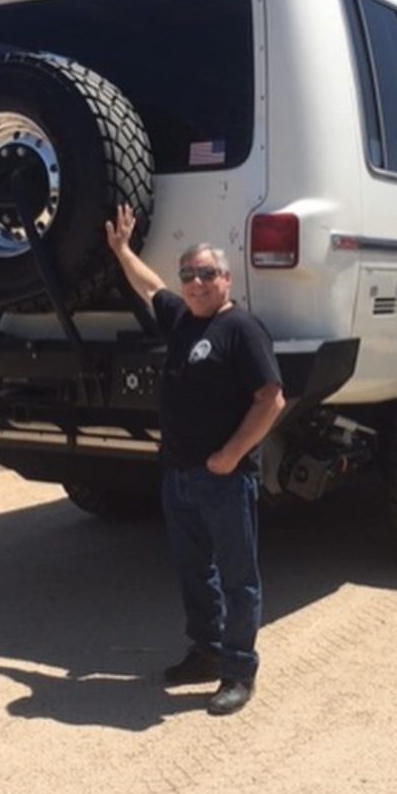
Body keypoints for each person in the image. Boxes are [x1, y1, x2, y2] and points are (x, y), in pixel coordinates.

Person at [105, 203, 285, 716]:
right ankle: (205, 653)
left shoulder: (242, 330)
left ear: (227, 279)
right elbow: (149, 286)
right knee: (193, 572)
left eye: (207, 274)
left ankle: (238, 670)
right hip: (179, 476)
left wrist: (230, 457)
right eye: (190, 275)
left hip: (222, 480)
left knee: (237, 577)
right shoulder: (182, 318)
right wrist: (121, 250)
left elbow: (270, 398)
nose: (196, 282)